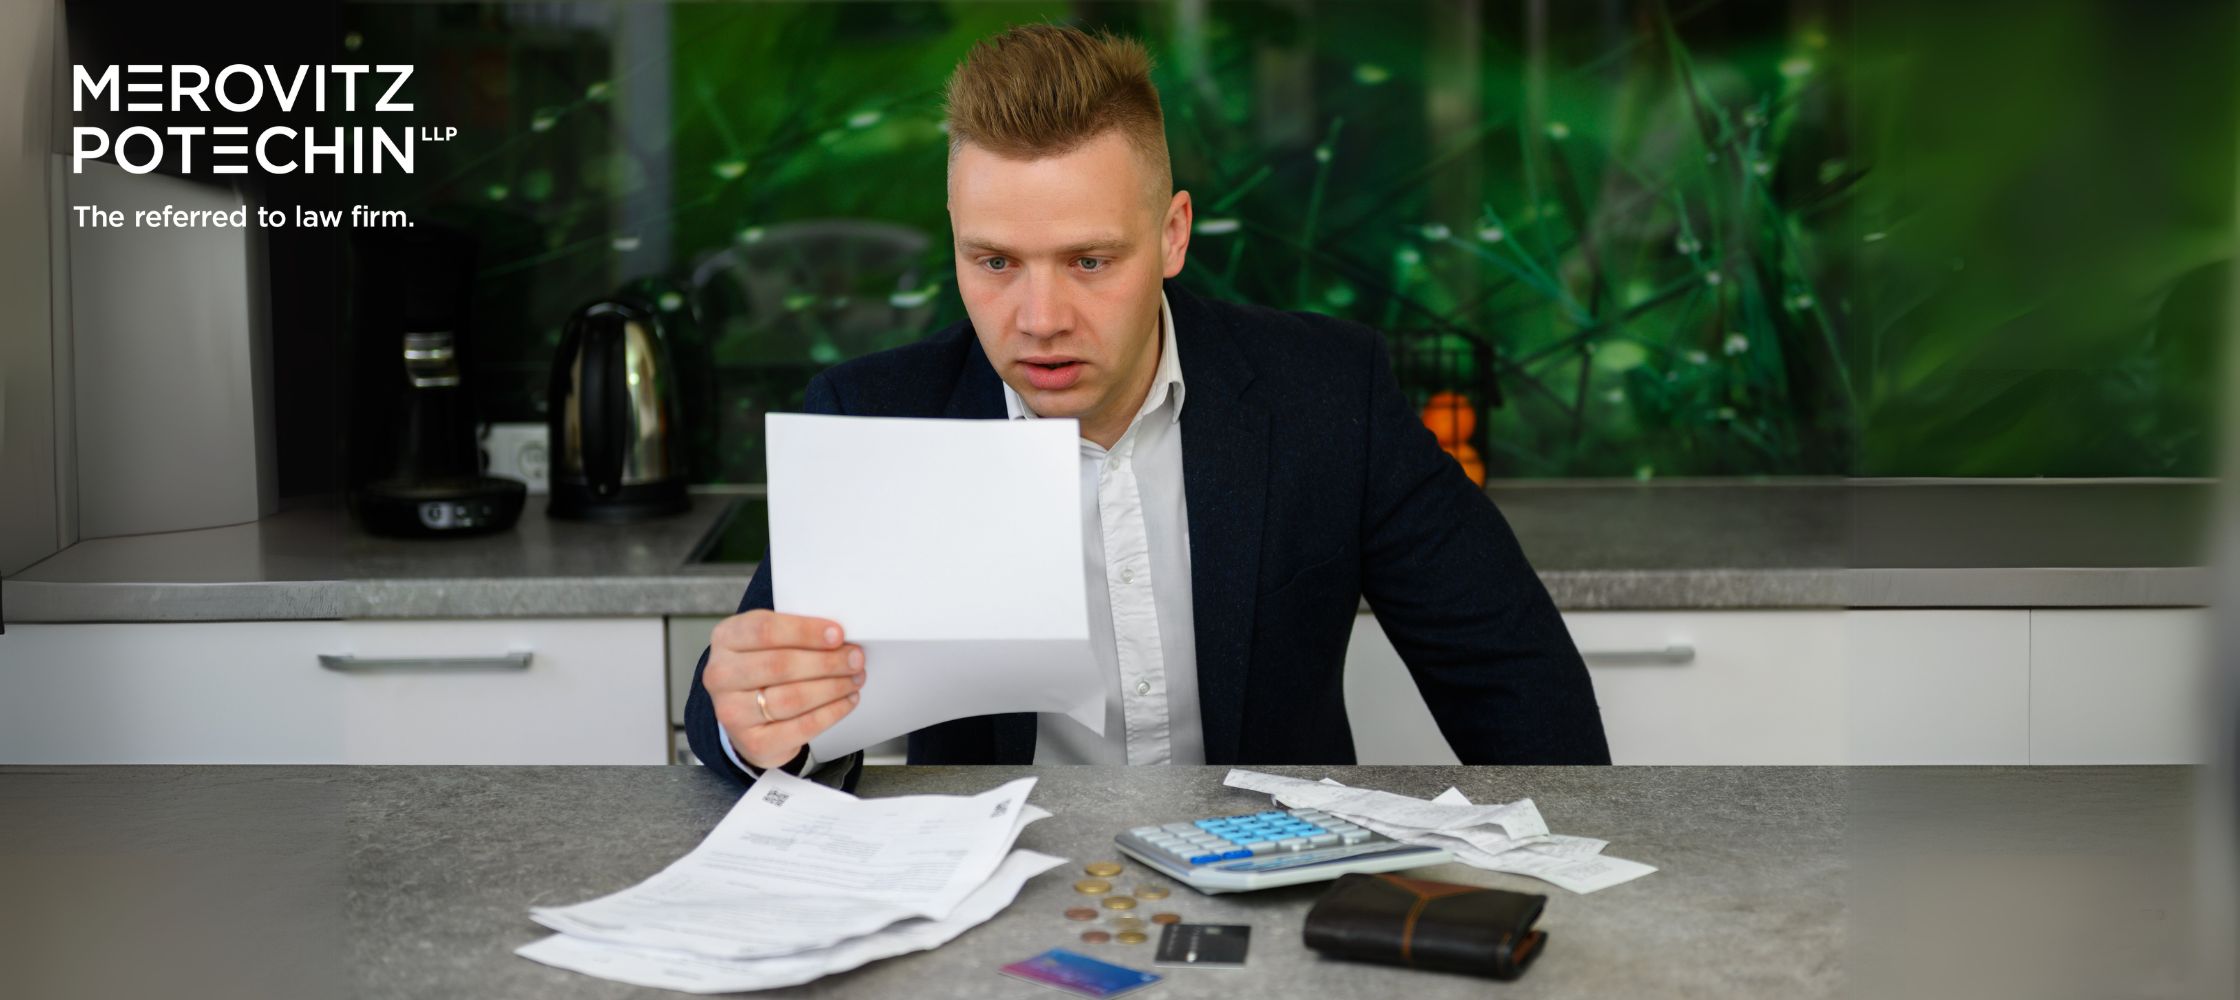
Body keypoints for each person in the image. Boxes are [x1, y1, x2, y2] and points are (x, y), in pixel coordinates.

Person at [685, 23, 1609, 789]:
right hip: (999, 904)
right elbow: (742, 711)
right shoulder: (876, 418)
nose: (1039, 321)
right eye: (994, 261)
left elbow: (1512, 673)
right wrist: (757, 721)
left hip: (1273, 893)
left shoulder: (1328, 392)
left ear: (1172, 236)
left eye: (1090, 262)